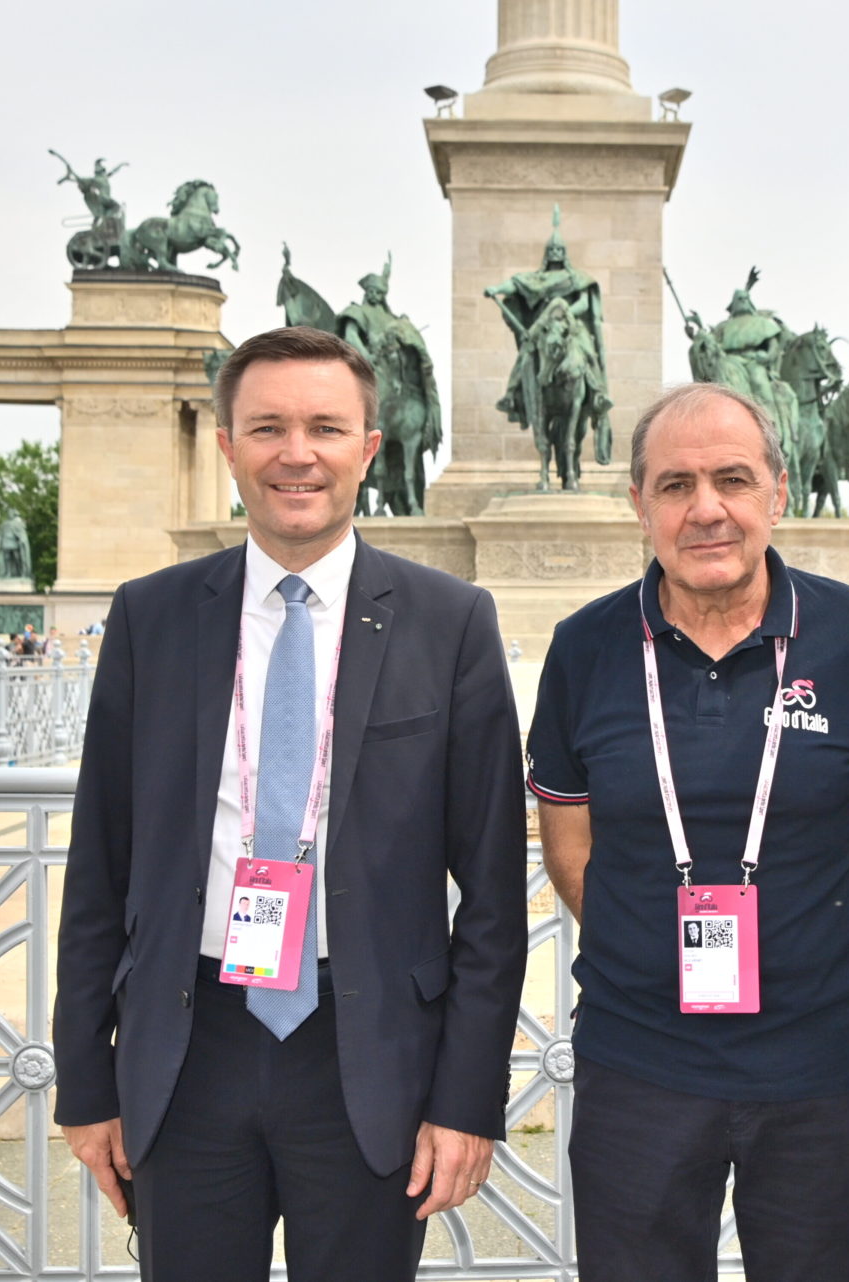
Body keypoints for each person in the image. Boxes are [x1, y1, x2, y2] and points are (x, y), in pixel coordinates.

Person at [54, 325, 528, 1282]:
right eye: (267, 428)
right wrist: (84, 1080)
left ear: (370, 450)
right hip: (188, 1041)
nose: (296, 454)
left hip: (370, 1055)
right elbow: (99, 863)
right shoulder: (151, 616)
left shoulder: (452, 622)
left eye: (325, 427)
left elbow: (491, 892)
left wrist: (470, 1098)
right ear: (226, 446)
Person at [526, 382, 849, 1282]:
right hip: (640, 1065)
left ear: (777, 492)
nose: (707, 510)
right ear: (639, 505)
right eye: (675, 485)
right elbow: (570, 852)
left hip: (822, 1069)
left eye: (733, 481)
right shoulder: (584, 649)